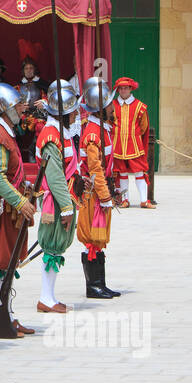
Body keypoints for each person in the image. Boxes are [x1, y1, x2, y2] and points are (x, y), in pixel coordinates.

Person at [0, 83, 36, 334]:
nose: (21, 110)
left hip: (10, 209)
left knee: (9, 265)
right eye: (16, 106)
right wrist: (20, 201)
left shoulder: (6, 131)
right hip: (1, 211)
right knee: (1, 263)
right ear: (5, 108)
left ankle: (8, 315)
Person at [35, 81, 80, 313]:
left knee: (56, 249)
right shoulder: (52, 136)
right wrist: (66, 208)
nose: (75, 115)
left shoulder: (61, 133)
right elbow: (54, 176)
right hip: (56, 200)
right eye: (72, 112)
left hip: (64, 197)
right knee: (52, 246)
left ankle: (49, 296)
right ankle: (45, 297)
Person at [77, 78, 120, 299]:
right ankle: (93, 285)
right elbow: (95, 168)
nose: (114, 107)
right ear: (102, 109)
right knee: (91, 237)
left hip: (101, 191)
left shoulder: (103, 129)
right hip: (93, 193)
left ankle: (100, 282)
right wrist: (104, 195)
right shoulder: (94, 133)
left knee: (99, 237)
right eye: (111, 104)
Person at [110, 77, 154, 208]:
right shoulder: (112, 105)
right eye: (121, 88)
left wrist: (133, 136)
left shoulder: (140, 106)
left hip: (134, 146)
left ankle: (144, 200)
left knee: (139, 172)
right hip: (117, 146)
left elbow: (144, 126)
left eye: (126, 88)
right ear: (118, 90)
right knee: (122, 173)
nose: (123, 91)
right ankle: (125, 200)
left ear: (130, 89)